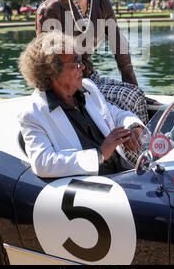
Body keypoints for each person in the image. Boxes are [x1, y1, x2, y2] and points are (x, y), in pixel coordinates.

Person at [35, 0, 158, 126]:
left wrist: (134, 87)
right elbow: (44, 63)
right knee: (129, 99)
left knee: (136, 95)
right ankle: (133, 151)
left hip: (89, 76)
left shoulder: (101, 3)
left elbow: (120, 49)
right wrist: (60, 103)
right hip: (65, 85)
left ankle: (145, 148)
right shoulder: (50, 9)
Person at [18, 31, 150, 178]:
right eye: (76, 63)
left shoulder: (87, 88)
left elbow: (116, 113)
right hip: (94, 188)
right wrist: (100, 154)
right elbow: (43, 163)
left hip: (125, 174)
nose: (83, 67)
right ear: (53, 72)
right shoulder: (33, 113)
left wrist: (133, 127)